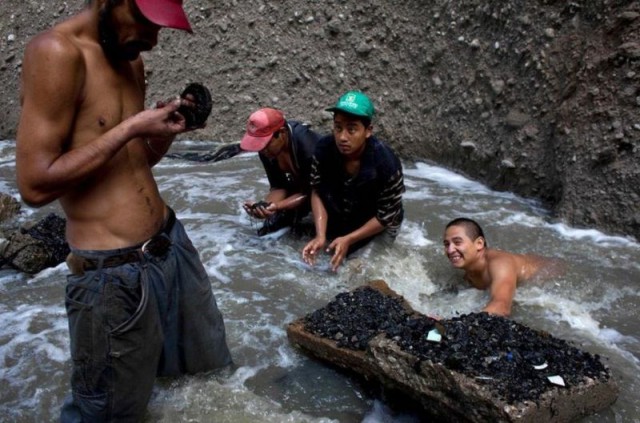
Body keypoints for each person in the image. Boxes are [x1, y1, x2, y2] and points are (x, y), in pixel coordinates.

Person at [15, 0, 232, 421]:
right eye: (147, 23)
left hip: (170, 247)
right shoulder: (57, 53)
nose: (152, 40)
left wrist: (162, 134)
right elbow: (34, 185)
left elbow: (129, 162)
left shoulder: (129, 60)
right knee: (107, 414)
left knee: (207, 378)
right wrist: (132, 126)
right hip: (112, 275)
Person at [301, 91, 405, 272]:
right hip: (345, 210)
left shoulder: (386, 164)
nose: (342, 137)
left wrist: (349, 239)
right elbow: (317, 191)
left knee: (358, 271)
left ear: (368, 131)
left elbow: (386, 216)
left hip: (380, 222)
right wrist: (320, 235)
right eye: (338, 127)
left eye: (352, 129)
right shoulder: (323, 149)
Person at [443, 217, 565, 317]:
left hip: (554, 273)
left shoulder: (500, 264)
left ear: (479, 243)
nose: (450, 250)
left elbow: (502, 307)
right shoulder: (467, 269)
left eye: (457, 242)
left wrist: (457, 325)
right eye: (446, 244)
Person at [240, 107, 322, 236]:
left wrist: (278, 206)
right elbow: (278, 186)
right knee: (268, 227)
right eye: (260, 146)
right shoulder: (266, 151)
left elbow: (312, 193)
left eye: (266, 145)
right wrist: (264, 207)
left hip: (325, 189)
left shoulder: (309, 149)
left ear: (282, 133)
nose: (263, 151)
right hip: (302, 188)